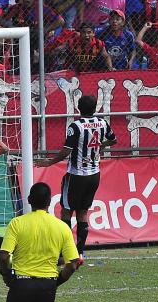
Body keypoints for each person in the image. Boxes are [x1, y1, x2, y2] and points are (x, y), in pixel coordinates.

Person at [39, 95, 116, 255]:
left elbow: (66, 151)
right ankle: (80, 252)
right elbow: (113, 140)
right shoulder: (103, 123)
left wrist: (49, 163)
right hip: (94, 174)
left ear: (78, 108)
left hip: (76, 175)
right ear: (95, 108)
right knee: (83, 212)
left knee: (66, 211)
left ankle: (66, 252)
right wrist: (101, 146)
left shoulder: (76, 126)